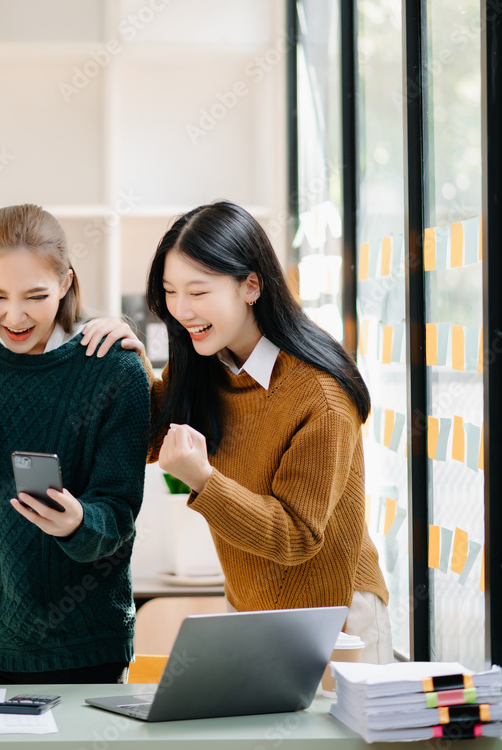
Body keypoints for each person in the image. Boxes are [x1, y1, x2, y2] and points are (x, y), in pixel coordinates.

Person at [79, 200, 393, 664]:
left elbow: (297, 536)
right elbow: (146, 440)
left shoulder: (319, 396)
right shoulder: (211, 367)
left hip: (337, 615)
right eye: (169, 291)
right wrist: (130, 358)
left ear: (250, 286)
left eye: (198, 292)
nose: (181, 309)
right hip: (251, 608)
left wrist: (204, 480)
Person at [0, 204, 150, 685]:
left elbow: (119, 510)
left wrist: (78, 523)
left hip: (87, 643)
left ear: (67, 283)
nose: (14, 314)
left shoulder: (114, 367)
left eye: (35, 295)